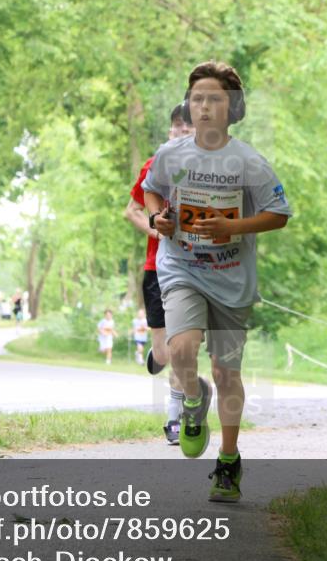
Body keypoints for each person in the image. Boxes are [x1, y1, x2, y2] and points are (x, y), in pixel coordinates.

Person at [144, 61, 292, 502]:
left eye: (214, 99)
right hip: (182, 268)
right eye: (197, 99)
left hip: (231, 279)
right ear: (189, 107)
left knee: (227, 372)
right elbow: (152, 189)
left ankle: (228, 461)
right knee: (181, 348)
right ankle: (192, 400)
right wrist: (158, 218)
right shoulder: (171, 155)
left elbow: (279, 214)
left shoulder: (249, 162)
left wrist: (234, 228)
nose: (204, 107)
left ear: (232, 108)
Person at [123, 103, 194, 444]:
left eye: (189, 129)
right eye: (177, 128)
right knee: (166, 354)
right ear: (170, 132)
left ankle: (174, 417)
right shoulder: (154, 167)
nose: (182, 134)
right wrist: (157, 230)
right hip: (156, 269)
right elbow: (131, 211)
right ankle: (157, 357)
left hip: (191, 269)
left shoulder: (208, 169)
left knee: (182, 347)